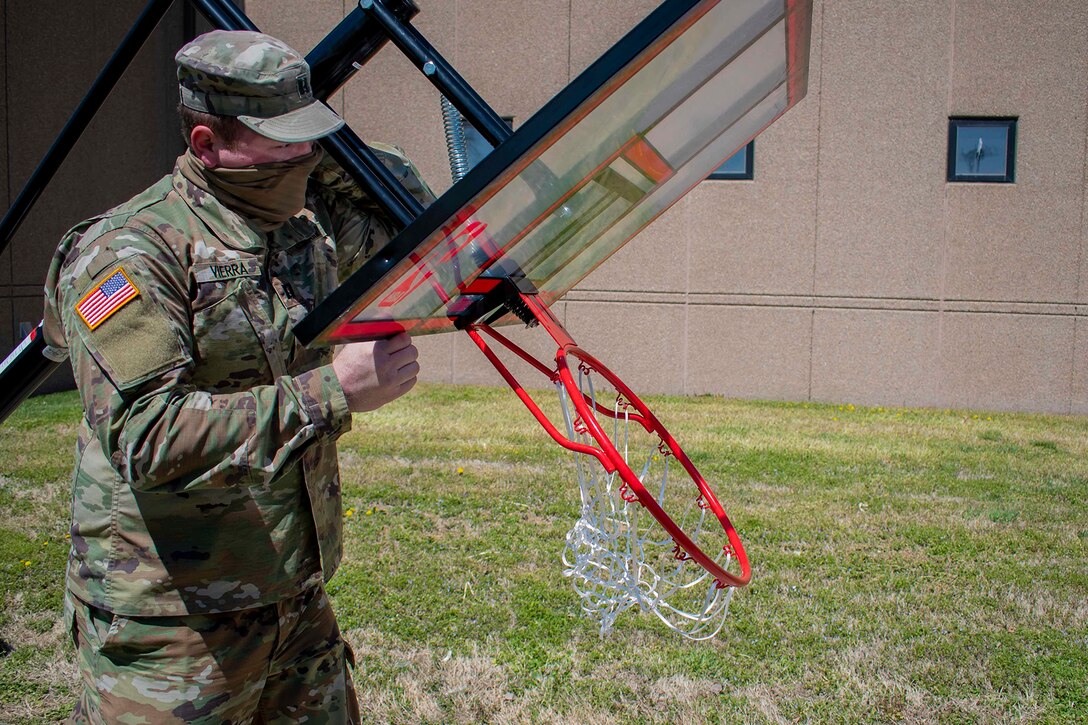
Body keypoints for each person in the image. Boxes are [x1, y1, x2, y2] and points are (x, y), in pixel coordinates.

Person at [41, 29, 434, 724]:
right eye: (281, 144)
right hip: (172, 621)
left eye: (311, 139)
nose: (302, 159)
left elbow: (416, 227)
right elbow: (147, 435)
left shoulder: (294, 232)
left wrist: (331, 158)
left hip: (292, 596)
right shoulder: (127, 252)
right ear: (205, 145)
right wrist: (333, 390)